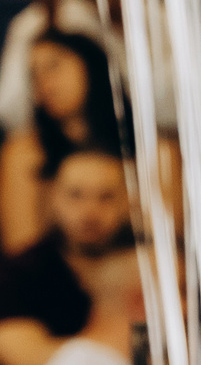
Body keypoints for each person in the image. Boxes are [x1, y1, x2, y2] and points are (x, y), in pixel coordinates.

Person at [0, 145, 141, 365]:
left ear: (128, 202)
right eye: (76, 195)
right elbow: (22, 354)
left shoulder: (152, 268)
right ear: (54, 197)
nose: (90, 211)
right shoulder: (19, 274)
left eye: (106, 197)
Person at [0, 32, 118, 256]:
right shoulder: (25, 154)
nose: (43, 82)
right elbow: (21, 251)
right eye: (34, 75)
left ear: (91, 65)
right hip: (54, 283)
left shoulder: (149, 149)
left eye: (53, 66)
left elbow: (169, 250)